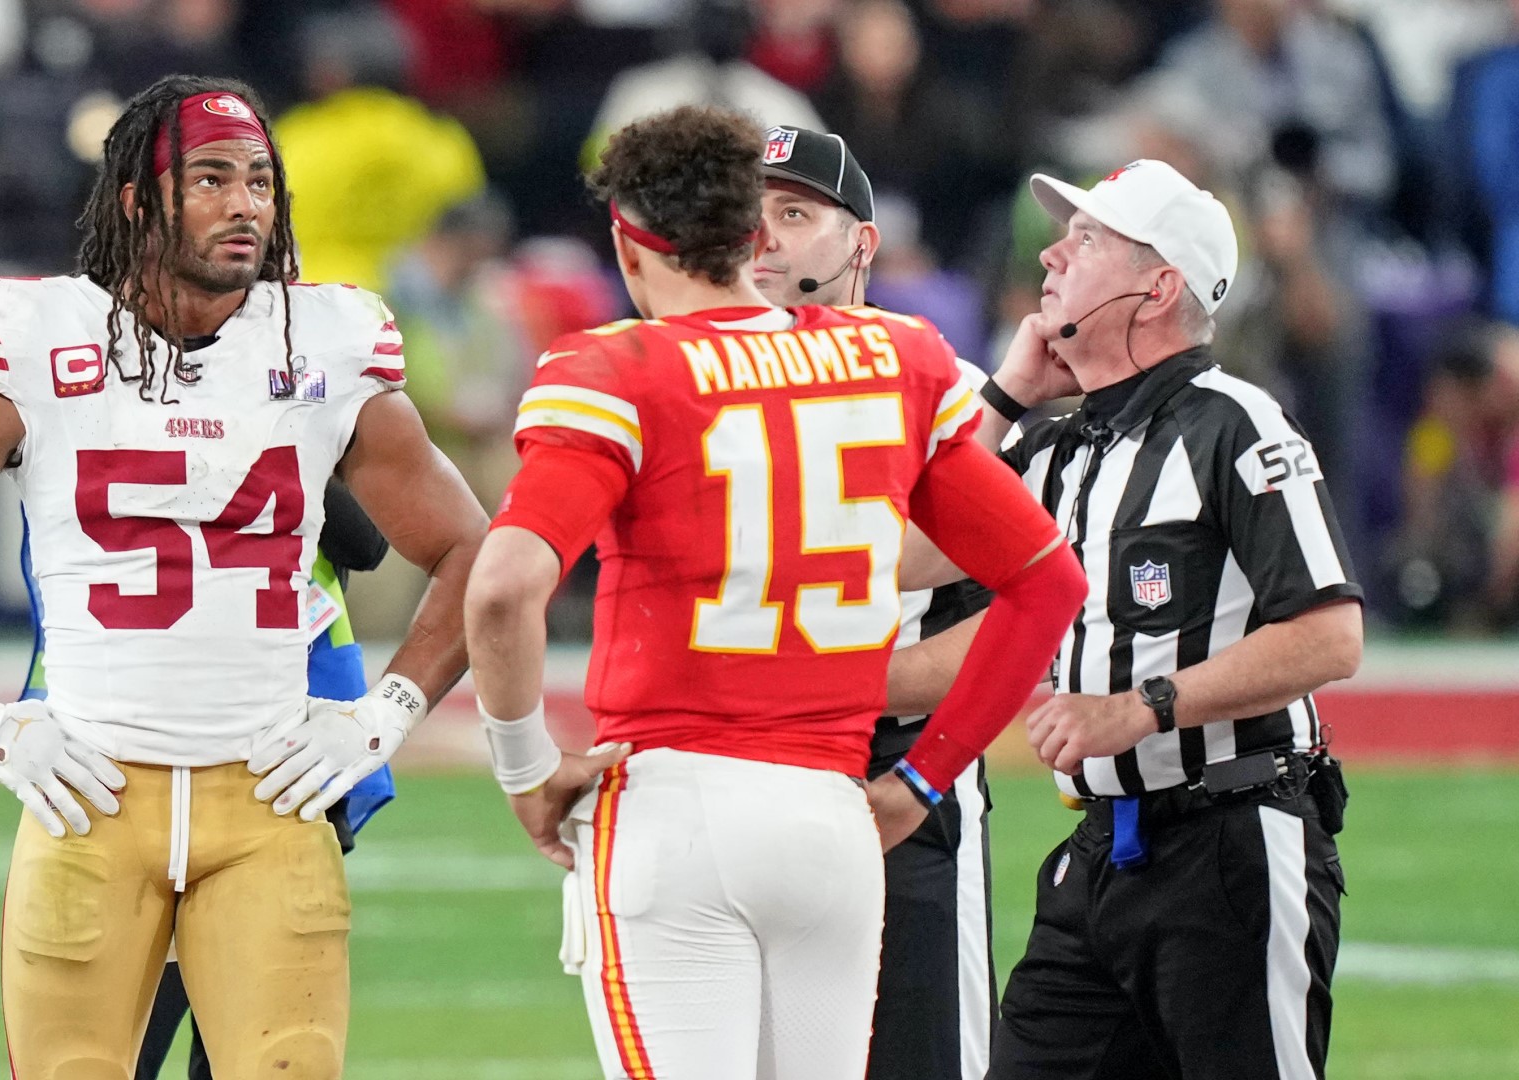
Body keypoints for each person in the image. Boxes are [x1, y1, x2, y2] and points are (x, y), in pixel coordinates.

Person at [0, 75, 489, 1079]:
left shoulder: (325, 342)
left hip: (269, 795)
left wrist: (383, 713)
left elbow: (480, 554)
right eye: (211, 177)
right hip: (94, 795)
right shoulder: (37, 337)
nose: (245, 202)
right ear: (137, 198)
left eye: (259, 179)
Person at [461, 105, 1087, 1080]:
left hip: (676, 802)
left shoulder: (617, 368)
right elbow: (1050, 582)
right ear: (751, 233)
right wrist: (926, 777)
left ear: (631, 241)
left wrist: (523, 768)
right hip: (835, 815)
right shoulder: (897, 357)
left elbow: (502, 590)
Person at [909, 159, 1361, 1080]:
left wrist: (1142, 705)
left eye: (1088, 240)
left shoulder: (1235, 422)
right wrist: (1005, 397)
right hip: (1099, 852)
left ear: (1157, 287)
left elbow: (1329, 635)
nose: (1051, 254)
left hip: (1233, 837)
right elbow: (910, 562)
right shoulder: (1058, 440)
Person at [752, 124, 997, 1080]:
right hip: (738, 767)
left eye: (795, 213)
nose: (762, 237)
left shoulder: (950, 388)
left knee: (922, 1056)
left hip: (900, 767)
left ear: (863, 241)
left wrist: (838, 685)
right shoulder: (688, 380)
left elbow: (1021, 609)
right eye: (749, 216)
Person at [131, 480, 391, 1080]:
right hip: (223, 719)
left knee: (236, 1042)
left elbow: (366, 541)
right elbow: (366, 541)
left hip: (258, 729)